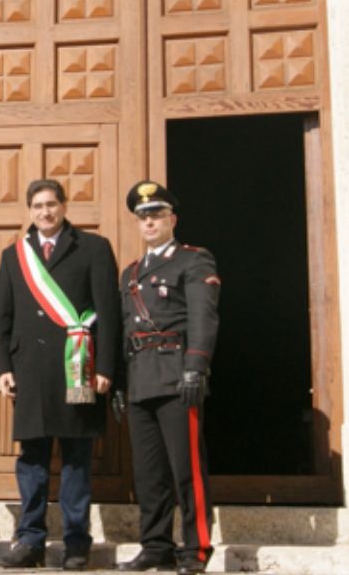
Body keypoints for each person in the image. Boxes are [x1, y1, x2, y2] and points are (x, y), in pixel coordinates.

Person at [0, 179, 120, 571]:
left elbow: (109, 313)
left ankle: (76, 544)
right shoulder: (15, 255)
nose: (45, 212)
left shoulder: (94, 248)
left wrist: (105, 368)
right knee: (31, 460)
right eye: (37, 206)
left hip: (77, 369)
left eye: (51, 204)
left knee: (76, 458)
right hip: (30, 371)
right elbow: (3, 316)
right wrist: (3, 367)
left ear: (64, 207)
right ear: (29, 211)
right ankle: (30, 540)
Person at [116, 181, 221, 575]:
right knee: (149, 473)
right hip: (141, 377)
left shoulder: (193, 261)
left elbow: (202, 316)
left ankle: (196, 548)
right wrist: (121, 383)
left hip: (178, 376)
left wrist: (197, 365)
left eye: (157, 214)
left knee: (186, 468)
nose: (149, 222)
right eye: (143, 216)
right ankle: (155, 545)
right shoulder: (130, 273)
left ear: (172, 219)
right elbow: (126, 328)